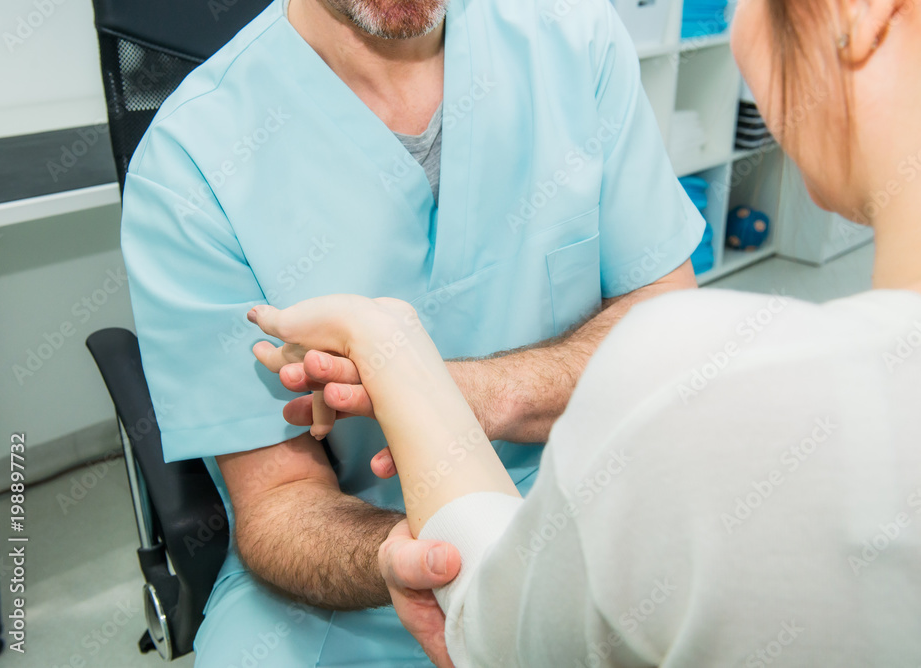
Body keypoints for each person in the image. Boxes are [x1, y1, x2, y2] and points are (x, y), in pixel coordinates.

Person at [247, 0, 921, 665]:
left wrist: (392, 349)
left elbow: (503, 632)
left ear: (862, 12)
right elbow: (274, 499)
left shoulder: (708, 390)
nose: (737, 29)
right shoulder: (203, 148)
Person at [119, 0, 704, 663]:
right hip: (362, 576)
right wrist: (409, 558)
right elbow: (280, 501)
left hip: (595, 512)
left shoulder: (572, 41)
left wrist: (464, 394)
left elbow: (668, 326)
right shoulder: (192, 163)